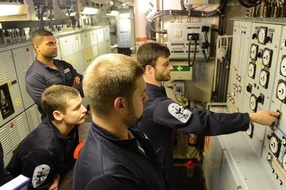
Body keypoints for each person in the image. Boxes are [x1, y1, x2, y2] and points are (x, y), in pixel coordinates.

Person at [136, 42, 281, 186]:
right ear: (149, 69)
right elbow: (203, 121)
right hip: (158, 175)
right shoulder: (158, 105)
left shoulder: (142, 94)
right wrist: (251, 117)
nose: (171, 67)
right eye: (166, 64)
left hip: (150, 167)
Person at [73, 54, 172, 190]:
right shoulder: (108, 179)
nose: (146, 98)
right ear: (120, 105)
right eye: (141, 94)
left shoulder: (128, 128)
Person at [5, 85, 87, 190]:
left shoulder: (71, 126)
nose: (84, 109)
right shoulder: (44, 150)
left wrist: (58, 175)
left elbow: (69, 160)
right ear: (57, 115)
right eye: (77, 108)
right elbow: (36, 187)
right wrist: (49, 183)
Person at [25, 29, 83, 120]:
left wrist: (70, 93)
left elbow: (83, 83)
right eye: (50, 44)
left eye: (55, 43)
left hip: (73, 120)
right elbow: (52, 105)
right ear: (37, 47)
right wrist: (74, 91)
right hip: (55, 125)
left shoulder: (63, 65)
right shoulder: (33, 76)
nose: (55, 47)